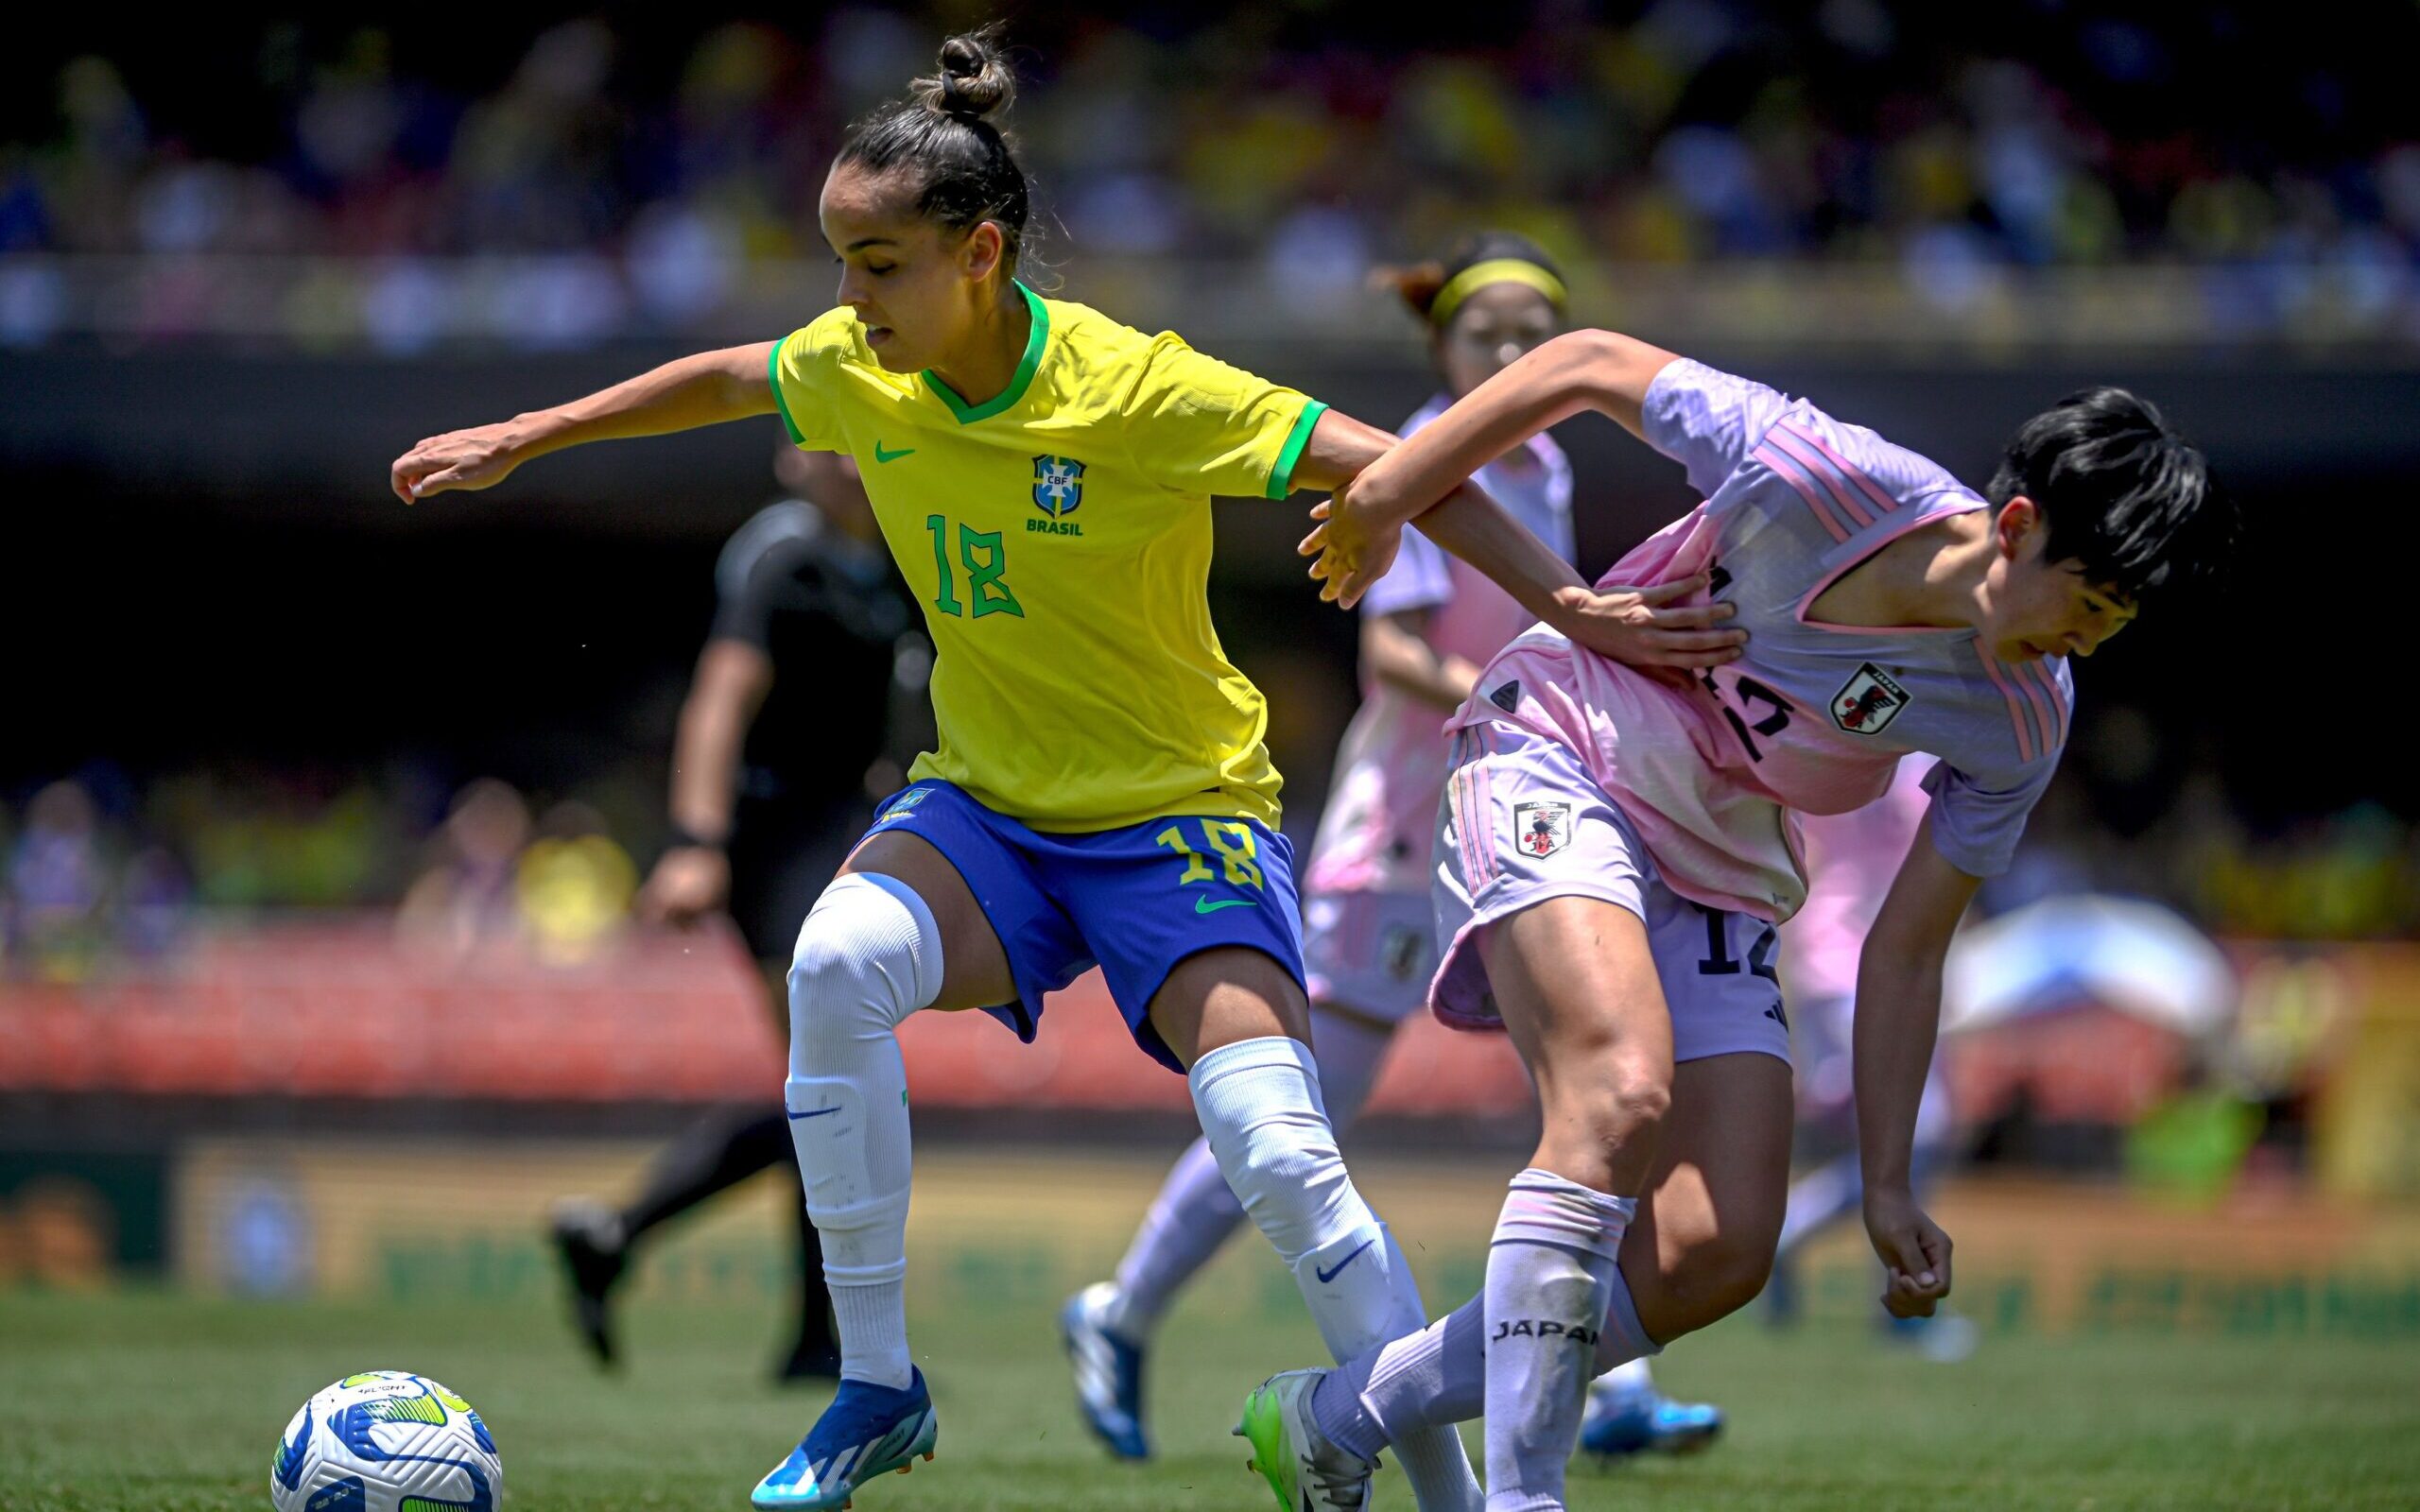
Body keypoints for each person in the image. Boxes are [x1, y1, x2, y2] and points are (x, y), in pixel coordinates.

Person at [387, 32, 1737, 1512]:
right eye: (839, 259)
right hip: (992, 812)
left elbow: (1396, 463)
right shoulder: (859, 369)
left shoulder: (1137, 390)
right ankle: (878, 1387)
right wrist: (537, 431)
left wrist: (1574, 606)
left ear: (979, 254)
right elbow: (727, 377)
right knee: (835, 963)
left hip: (1179, 821)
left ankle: (1454, 1500)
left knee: (1281, 1158)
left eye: (878, 263)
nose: (848, 301)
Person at [1245, 328, 2232, 1512]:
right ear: (2015, 525)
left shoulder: (2020, 717)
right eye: (2088, 602)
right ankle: (1520, 1500)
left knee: (1720, 1245)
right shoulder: (1821, 471)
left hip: (1719, 854)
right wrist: (1390, 495)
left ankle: (1333, 1414)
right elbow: (1587, 361)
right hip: (1565, 742)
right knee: (1616, 1095)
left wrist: (1884, 1183)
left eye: (2115, 626)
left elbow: (1910, 948)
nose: (2083, 642)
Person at [1061, 232, 1719, 1465]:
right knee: (1308, 1122)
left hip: (1508, 819)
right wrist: (1526, 693)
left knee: (1598, 1085)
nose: (1515, 355)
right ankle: (1120, 1309)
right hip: (1405, 838)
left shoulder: (1547, 465)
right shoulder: (1425, 459)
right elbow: (1396, 658)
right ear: (1442, 347)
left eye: (1537, 335)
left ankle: (1610, 1379)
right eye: (1491, 335)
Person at [548, 443, 926, 1383]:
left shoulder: (897, 562)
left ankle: (631, 1241)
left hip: (846, 832)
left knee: (829, 1086)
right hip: (774, 839)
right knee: (832, 1080)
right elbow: (718, 702)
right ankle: (794, 1330)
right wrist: (693, 840)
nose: (809, 452)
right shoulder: (780, 557)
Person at [1757, 755, 1977, 1361]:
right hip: (1846, 964)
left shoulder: (1927, 746)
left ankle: (1891, 1290)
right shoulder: (1846, 735)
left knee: (1908, 1135)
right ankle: (1896, 1293)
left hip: (1888, 963)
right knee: (1919, 1128)